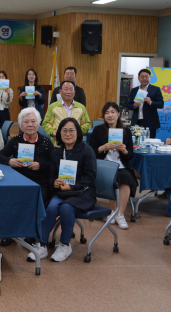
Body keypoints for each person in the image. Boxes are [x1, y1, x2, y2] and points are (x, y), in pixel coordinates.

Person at [27, 118, 96, 263]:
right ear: (59, 133)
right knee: (51, 207)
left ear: (77, 133)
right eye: (64, 130)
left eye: (72, 130)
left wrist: (71, 186)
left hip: (82, 192)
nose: (68, 134)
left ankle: (65, 245)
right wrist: (56, 183)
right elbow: (51, 177)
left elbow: (90, 177)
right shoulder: (57, 153)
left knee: (66, 207)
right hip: (63, 192)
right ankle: (41, 244)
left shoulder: (86, 150)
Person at [0, 108, 54, 246]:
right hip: (18, 181)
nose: (30, 124)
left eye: (33, 121)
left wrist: (41, 165)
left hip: (40, 183)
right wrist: (10, 161)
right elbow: (0, 155)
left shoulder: (46, 142)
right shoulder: (16, 141)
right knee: (9, 198)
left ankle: (31, 233)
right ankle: (9, 233)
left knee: (39, 198)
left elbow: (54, 164)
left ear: (38, 123)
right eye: (26, 122)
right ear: (21, 125)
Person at [89, 102, 137, 230]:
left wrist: (125, 151)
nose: (110, 115)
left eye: (112, 112)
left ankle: (119, 214)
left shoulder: (126, 132)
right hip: (104, 165)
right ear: (103, 116)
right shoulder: (98, 130)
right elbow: (90, 151)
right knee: (113, 178)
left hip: (121, 165)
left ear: (118, 114)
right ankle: (112, 211)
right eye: (106, 112)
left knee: (126, 177)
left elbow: (130, 154)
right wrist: (102, 148)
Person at [43, 81, 91, 146]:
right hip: (57, 144)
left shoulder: (81, 107)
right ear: (60, 91)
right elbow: (46, 123)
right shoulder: (52, 106)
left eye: (71, 89)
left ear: (74, 92)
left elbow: (87, 124)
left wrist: (77, 132)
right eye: (66, 89)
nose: (68, 92)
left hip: (76, 145)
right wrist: (52, 132)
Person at [127, 68, 164, 139]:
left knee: (149, 143)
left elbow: (161, 104)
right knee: (135, 143)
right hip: (137, 122)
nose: (144, 78)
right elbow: (129, 105)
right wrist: (134, 105)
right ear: (138, 78)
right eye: (142, 76)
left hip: (150, 123)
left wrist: (151, 102)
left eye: (146, 76)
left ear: (149, 78)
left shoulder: (155, 89)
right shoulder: (134, 90)